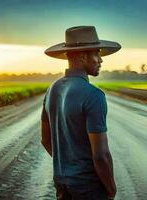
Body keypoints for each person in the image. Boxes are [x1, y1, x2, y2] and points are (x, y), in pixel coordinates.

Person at [41, 26, 121, 200]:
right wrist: (111, 189)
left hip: (62, 183)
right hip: (88, 188)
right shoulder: (93, 95)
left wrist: (69, 167)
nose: (101, 60)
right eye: (97, 54)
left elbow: (45, 140)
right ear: (83, 56)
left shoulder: (52, 90)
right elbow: (101, 155)